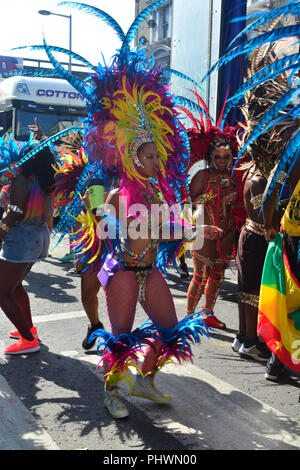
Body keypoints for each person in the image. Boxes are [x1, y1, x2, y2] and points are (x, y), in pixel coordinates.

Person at [0, 138, 55, 355]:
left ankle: (28, 339)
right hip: (38, 237)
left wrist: (1, 233)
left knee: (2, 292)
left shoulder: (22, 181)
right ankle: (28, 328)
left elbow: (13, 214)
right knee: (15, 286)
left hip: (21, 239)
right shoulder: (44, 181)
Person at [185, 126, 242, 329]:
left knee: (217, 274)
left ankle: (208, 312)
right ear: (210, 158)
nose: (221, 162)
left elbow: (236, 204)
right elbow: (190, 201)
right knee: (199, 276)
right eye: (217, 157)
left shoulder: (234, 176)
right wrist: (215, 190)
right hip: (203, 231)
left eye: (226, 157)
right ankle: (189, 316)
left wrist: (230, 190)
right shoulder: (202, 175)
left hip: (226, 232)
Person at [258, 155, 300, 381]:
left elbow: (273, 186)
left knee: (291, 301)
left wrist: (268, 224)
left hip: (293, 234)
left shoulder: (294, 150)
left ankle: (277, 362)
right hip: (295, 238)